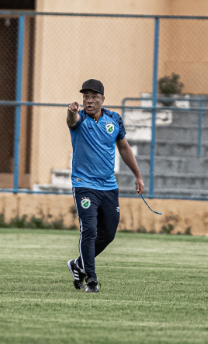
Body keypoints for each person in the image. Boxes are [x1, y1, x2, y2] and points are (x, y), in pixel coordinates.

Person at [66, 79, 144, 293]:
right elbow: (71, 120)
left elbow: (124, 147)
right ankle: (91, 279)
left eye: (93, 97)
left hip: (108, 186)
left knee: (108, 234)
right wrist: (71, 111)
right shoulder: (80, 118)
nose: (88, 101)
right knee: (89, 230)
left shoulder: (114, 119)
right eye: (85, 97)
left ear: (102, 99)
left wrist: (137, 175)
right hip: (84, 185)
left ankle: (78, 264)